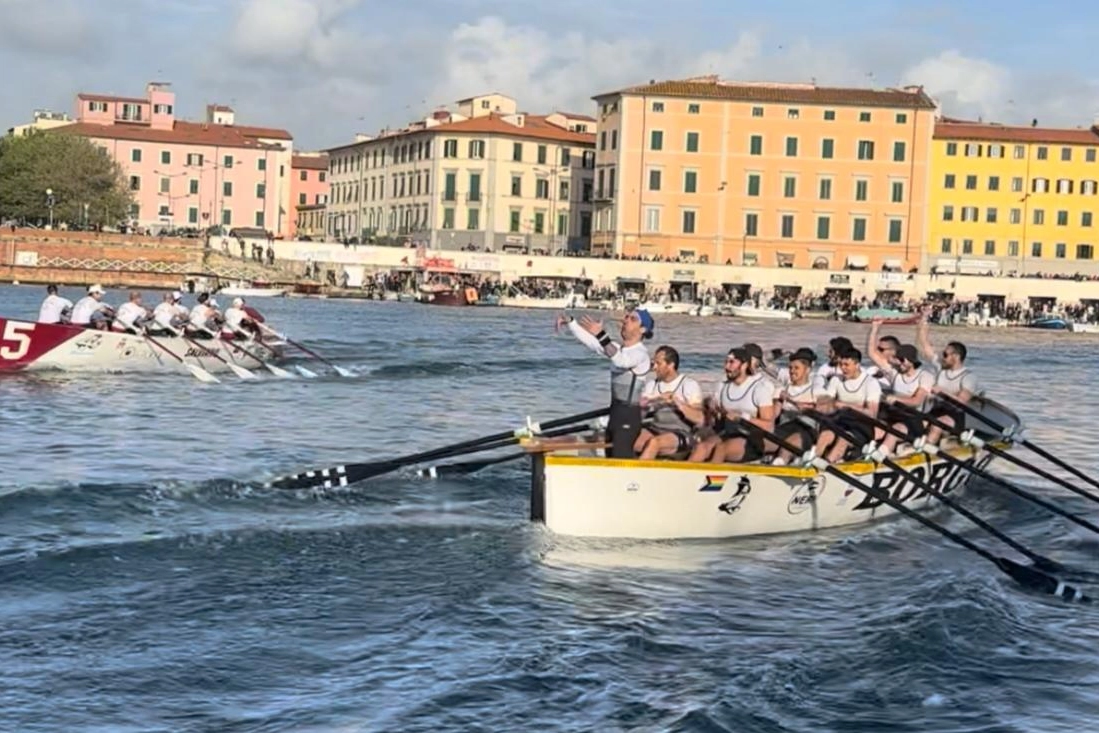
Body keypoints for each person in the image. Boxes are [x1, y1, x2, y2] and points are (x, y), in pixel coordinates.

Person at [557, 307, 653, 458]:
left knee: (621, 457)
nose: (626, 320)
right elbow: (593, 342)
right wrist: (571, 322)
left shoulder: (641, 354)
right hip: (615, 413)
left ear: (643, 330)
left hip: (629, 416)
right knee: (611, 456)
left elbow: (622, 361)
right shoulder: (616, 348)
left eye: (633, 319)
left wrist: (601, 334)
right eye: (627, 317)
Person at [686, 346, 776, 463]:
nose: (726, 367)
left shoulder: (760, 389)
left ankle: (712, 479)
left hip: (753, 439)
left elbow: (769, 425)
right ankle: (685, 478)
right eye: (726, 362)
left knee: (721, 449)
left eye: (731, 362)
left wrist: (743, 417)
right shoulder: (722, 386)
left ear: (744, 365)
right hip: (729, 434)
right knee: (701, 447)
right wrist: (710, 407)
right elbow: (713, 414)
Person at [916, 311, 980, 445]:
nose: (942, 357)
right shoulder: (941, 368)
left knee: (938, 423)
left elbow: (961, 402)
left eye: (945, 354)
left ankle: (927, 448)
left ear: (956, 357)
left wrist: (941, 391)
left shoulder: (968, 377)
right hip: (936, 410)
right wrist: (923, 321)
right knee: (915, 421)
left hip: (954, 416)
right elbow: (925, 345)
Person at [634, 345, 704, 460]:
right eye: (653, 363)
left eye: (658, 363)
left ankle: (636, 475)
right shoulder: (652, 385)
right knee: (625, 438)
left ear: (671, 365)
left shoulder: (689, 385)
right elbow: (639, 414)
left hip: (681, 433)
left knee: (654, 443)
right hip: (655, 429)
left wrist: (678, 403)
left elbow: (700, 419)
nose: (654, 367)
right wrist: (656, 400)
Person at [813, 347, 882, 463]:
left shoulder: (871, 383)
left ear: (857, 365)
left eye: (846, 365)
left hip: (862, 425)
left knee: (843, 439)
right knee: (825, 435)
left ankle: (829, 463)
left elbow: (872, 413)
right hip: (840, 422)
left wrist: (847, 406)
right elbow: (827, 403)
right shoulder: (836, 380)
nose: (843, 368)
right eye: (840, 364)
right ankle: (812, 462)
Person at [871, 343, 934, 456]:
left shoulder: (925, 377)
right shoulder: (895, 374)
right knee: (873, 428)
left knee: (895, 429)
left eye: (902, 360)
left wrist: (896, 399)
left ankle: (879, 457)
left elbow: (917, 401)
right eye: (898, 359)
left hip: (913, 420)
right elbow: (872, 354)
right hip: (893, 416)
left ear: (911, 360)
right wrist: (875, 328)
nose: (899, 363)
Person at [771, 347, 825, 465]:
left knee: (789, 444)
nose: (791, 371)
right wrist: (778, 401)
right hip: (785, 428)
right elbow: (773, 416)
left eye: (796, 368)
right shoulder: (782, 389)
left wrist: (808, 407)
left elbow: (826, 410)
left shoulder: (816, 390)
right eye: (790, 368)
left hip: (806, 430)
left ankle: (780, 462)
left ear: (807, 370)